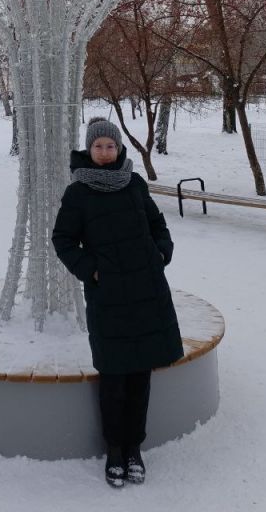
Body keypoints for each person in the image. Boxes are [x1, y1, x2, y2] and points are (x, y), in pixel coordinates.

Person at [51, 116, 184, 489]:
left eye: (110, 146)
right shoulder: (78, 192)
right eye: (98, 147)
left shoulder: (134, 182)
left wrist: (162, 252)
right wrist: (91, 271)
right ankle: (114, 449)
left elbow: (158, 224)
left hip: (147, 292)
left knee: (141, 374)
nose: (105, 153)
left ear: (119, 148)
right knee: (113, 376)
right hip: (108, 296)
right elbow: (62, 239)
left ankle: (134, 448)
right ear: (88, 150)